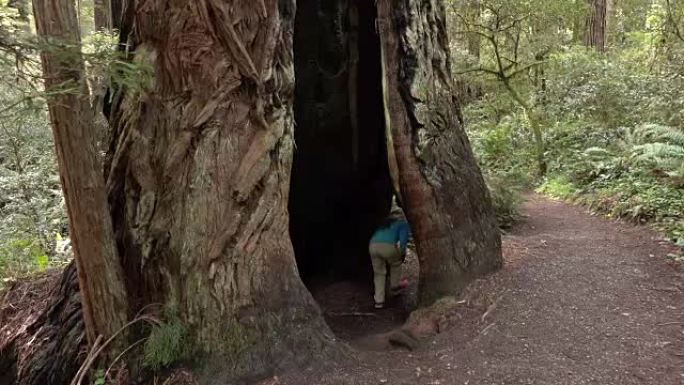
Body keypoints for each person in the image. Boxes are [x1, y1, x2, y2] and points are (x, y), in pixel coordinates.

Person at [368, 206, 410, 309]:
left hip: (372, 246)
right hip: (388, 246)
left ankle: (379, 301)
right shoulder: (402, 223)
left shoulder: (384, 224)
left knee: (379, 273)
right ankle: (395, 286)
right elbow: (403, 242)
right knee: (396, 263)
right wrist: (401, 254)